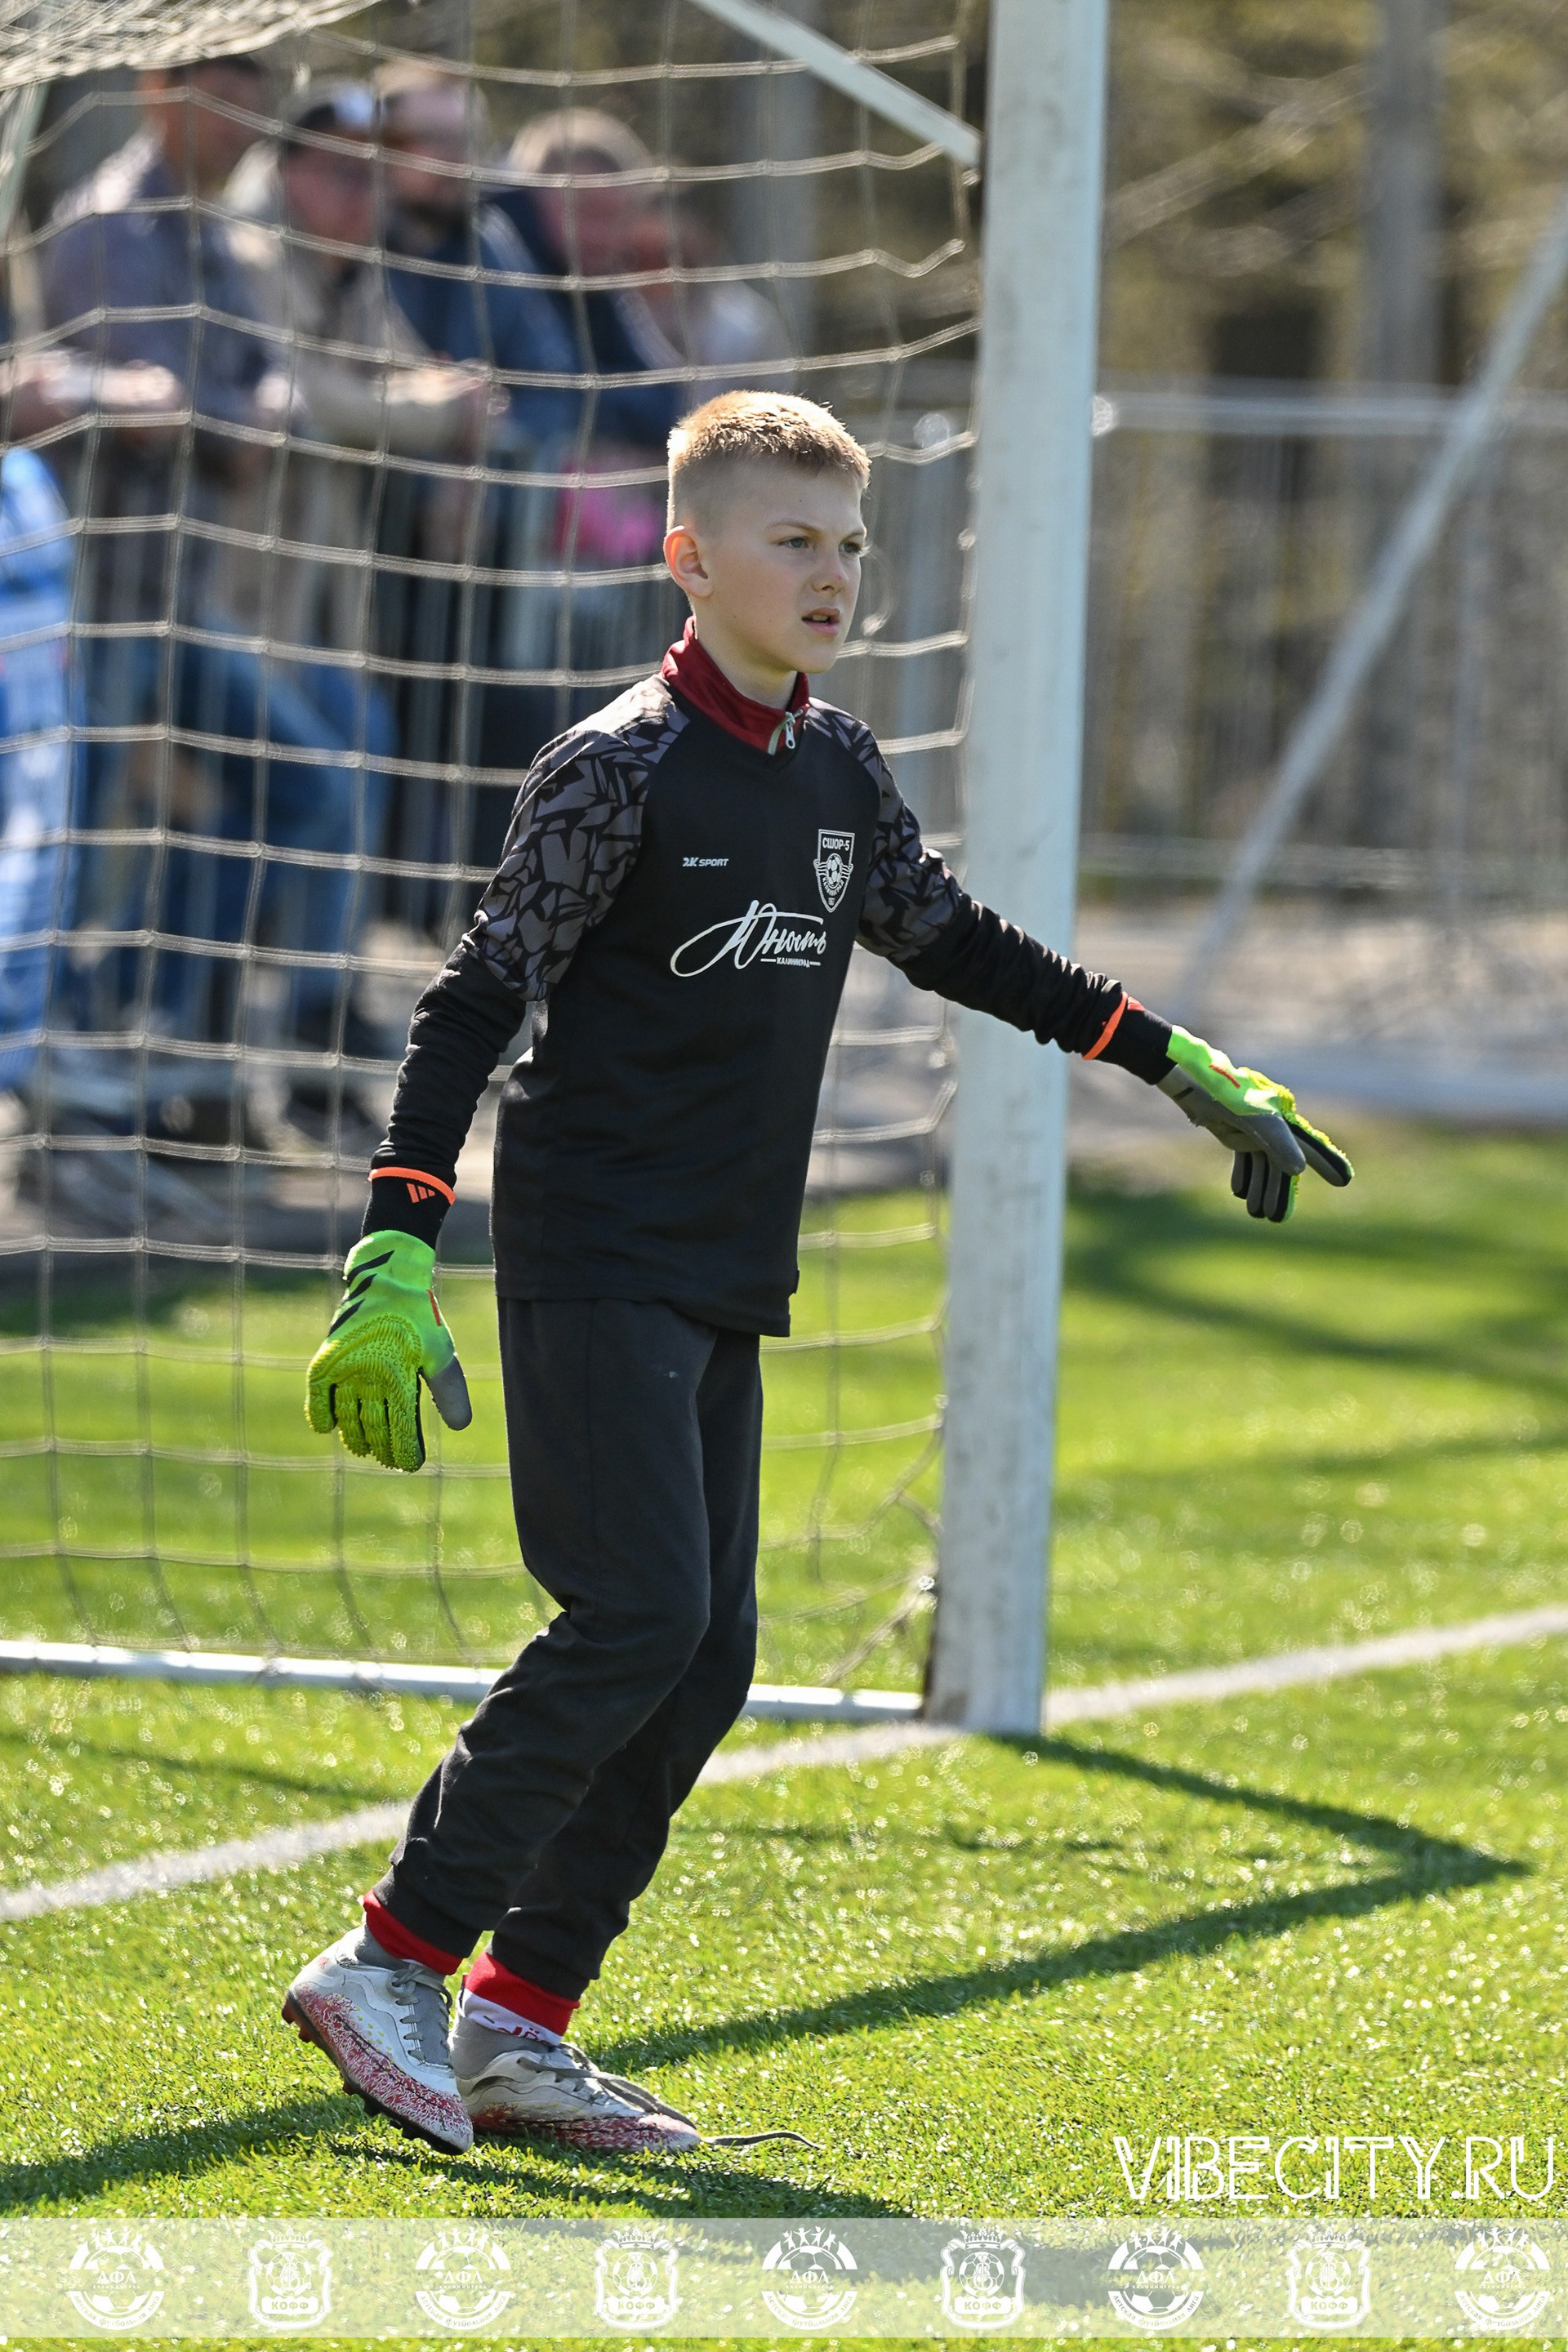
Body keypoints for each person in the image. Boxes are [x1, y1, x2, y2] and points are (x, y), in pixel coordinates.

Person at [283, 391, 1354, 2158]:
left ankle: (519, 2023)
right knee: (637, 1615)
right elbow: (474, 1000)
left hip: (724, 1262)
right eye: (793, 540)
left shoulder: (840, 769)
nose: (834, 571)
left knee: (708, 1657)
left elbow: (958, 942)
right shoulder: (614, 767)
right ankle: (388, 1962)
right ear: (688, 560)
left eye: (851, 542)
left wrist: (1172, 1060)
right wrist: (399, 1237)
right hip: (593, 1247)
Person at [38, 53, 380, 1145]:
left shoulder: (214, 237)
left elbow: (253, 382)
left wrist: (242, 408)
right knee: (74, 847)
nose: (244, 126)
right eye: (227, 99)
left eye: (254, 104)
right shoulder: (105, 229)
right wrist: (231, 415)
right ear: (159, 89)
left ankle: (175, 1051)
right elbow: (164, 409)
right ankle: (64, 1097)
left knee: (304, 789)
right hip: (92, 599)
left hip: (182, 600)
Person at [224, 80, 497, 1128]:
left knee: (359, 752)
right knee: (258, 810)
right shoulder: (245, 257)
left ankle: (316, 1025)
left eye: (378, 174)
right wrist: (432, 417)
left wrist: (441, 413)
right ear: (286, 166)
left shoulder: (355, 273)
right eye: (342, 170)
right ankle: (221, 1052)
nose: (364, 193)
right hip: (221, 599)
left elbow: (424, 383)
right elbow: (317, 402)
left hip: (313, 610)